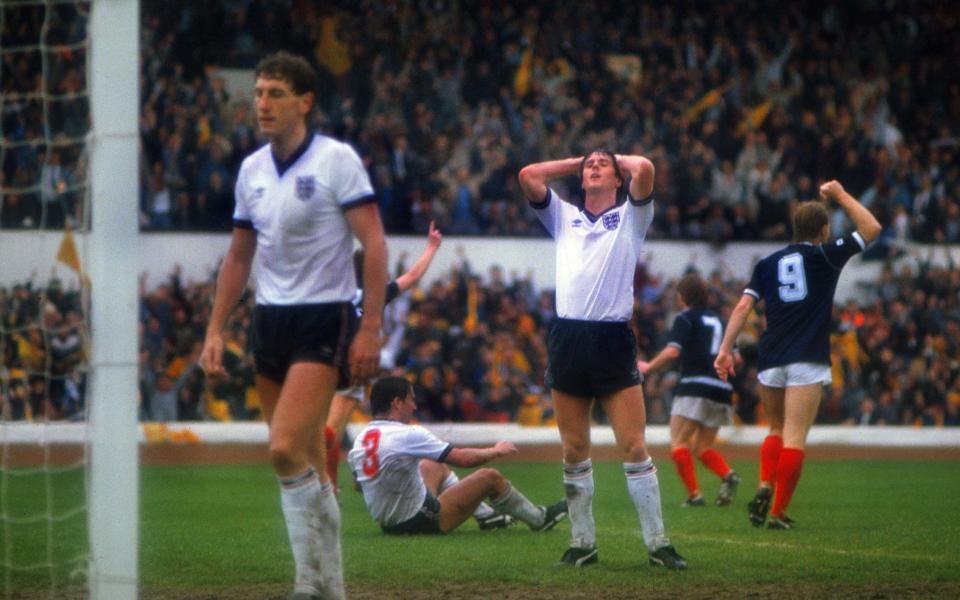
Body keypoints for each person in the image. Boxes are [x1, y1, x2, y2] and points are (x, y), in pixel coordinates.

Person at [199, 52, 388, 600]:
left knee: (284, 450)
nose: (262, 103)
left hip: (322, 319)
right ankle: (334, 586)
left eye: (276, 93)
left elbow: (373, 242)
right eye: (258, 92)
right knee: (304, 462)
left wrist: (370, 325)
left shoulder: (336, 161)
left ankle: (308, 584)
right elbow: (238, 256)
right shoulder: (251, 170)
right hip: (268, 322)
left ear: (304, 102)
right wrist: (215, 328)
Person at [518, 150, 687, 569]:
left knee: (633, 445)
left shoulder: (631, 217)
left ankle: (658, 543)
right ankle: (582, 543)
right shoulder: (564, 216)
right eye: (589, 166)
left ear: (617, 179)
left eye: (602, 165)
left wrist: (615, 159)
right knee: (574, 448)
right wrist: (581, 160)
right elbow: (528, 174)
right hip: (568, 338)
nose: (593, 168)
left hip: (612, 339)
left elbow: (645, 168)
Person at [714, 180, 881, 530]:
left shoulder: (768, 263)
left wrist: (725, 349)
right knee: (795, 436)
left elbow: (744, 305)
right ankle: (777, 512)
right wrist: (839, 195)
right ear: (823, 230)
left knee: (774, 427)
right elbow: (871, 228)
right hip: (807, 356)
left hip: (771, 355)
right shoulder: (825, 254)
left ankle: (763, 484)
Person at [347, 376, 568, 535]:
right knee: (489, 477)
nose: (414, 406)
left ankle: (485, 515)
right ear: (396, 403)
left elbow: (359, 486)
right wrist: (496, 450)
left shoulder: (361, 439)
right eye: (410, 400)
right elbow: (462, 459)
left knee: (432, 463)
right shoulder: (407, 434)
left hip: (389, 523)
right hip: (418, 521)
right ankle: (540, 519)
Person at [324, 221, 443, 492]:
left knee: (337, 428)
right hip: (352, 366)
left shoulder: (337, 293)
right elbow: (412, 276)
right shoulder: (375, 295)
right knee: (331, 429)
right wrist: (432, 247)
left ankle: (342, 478)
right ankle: (328, 483)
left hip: (327, 362)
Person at [637, 273, 741, 508]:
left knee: (679, 441)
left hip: (694, 385)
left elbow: (673, 352)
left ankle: (695, 495)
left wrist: (650, 366)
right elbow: (737, 358)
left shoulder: (685, 318)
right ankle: (727, 475)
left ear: (682, 297)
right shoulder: (722, 321)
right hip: (721, 389)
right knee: (703, 447)